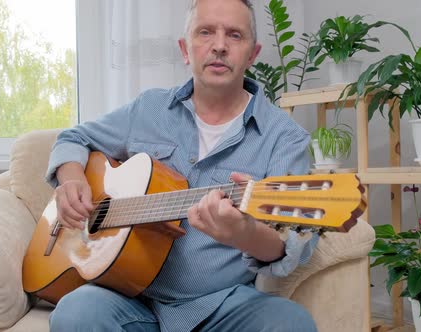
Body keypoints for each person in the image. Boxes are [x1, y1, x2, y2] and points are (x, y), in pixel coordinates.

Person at [46, 0, 318, 331]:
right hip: (131, 296)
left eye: (234, 35)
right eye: (205, 32)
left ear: (252, 54)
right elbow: (73, 138)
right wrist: (71, 180)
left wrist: (245, 234)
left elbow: (294, 241)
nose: (219, 45)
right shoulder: (148, 109)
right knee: (75, 311)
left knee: (292, 324)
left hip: (221, 305)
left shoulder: (286, 139)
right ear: (185, 49)